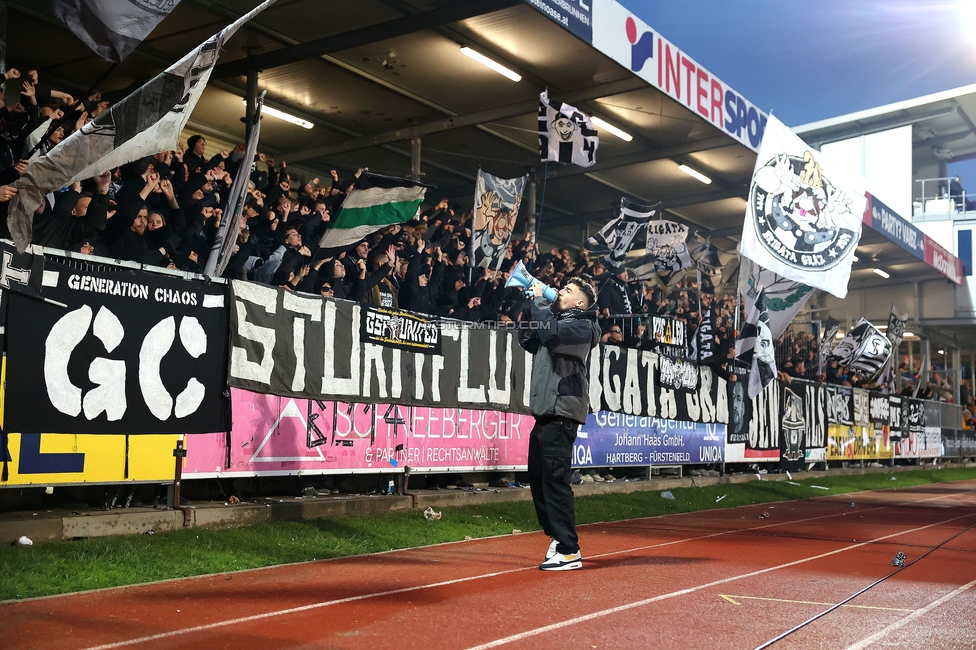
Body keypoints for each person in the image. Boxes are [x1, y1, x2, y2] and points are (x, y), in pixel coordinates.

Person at [518, 276, 600, 571]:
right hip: (545, 412)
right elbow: (527, 338)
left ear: (580, 302)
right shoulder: (554, 319)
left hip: (562, 412)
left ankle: (569, 549)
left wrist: (541, 302)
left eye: (568, 290)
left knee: (554, 481)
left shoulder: (583, 326)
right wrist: (530, 302)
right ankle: (557, 537)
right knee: (539, 480)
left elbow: (551, 336)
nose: (560, 291)